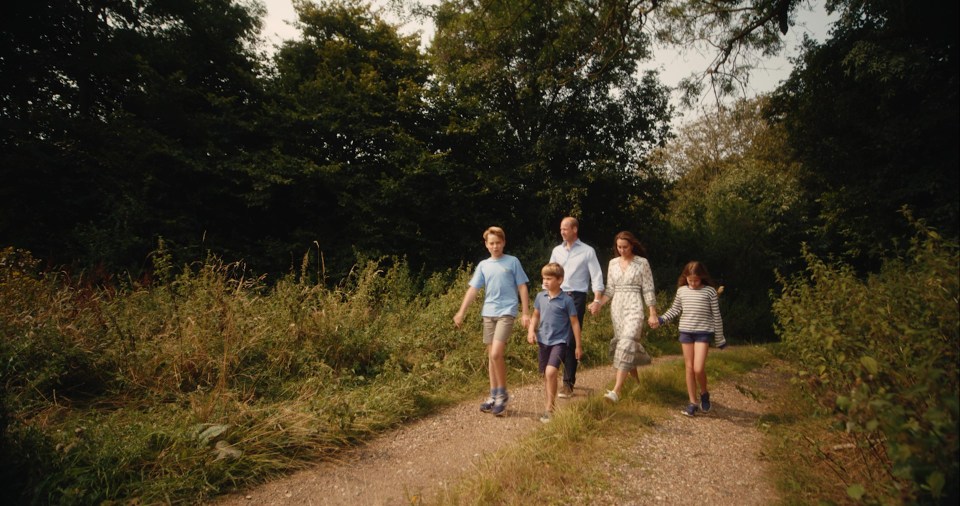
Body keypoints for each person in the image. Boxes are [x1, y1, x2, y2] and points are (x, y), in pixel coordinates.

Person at [454, 226, 531, 417]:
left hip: (507, 312)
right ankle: (493, 394)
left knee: (497, 353)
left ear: (503, 243)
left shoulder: (512, 262)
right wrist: (461, 312)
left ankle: (503, 395)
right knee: (491, 356)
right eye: (491, 243)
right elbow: (473, 289)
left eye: (498, 242)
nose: (495, 246)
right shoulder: (483, 265)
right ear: (486, 245)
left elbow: (522, 287)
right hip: (488, 312)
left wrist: (525, 313)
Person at [591, 231, 658, 403]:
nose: (622, 250)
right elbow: (610, 289)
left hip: (634, 305)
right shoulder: (613, 263)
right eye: (619, 247)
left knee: (627, 341)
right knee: (625, 345)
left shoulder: (642, 263)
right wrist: (598, 303)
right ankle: (636, 384)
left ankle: (616, 391)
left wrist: (652, 313)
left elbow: (648, 288)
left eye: (625, 247)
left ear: (632, 245)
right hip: (617, 308)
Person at [653, 261, 726, 417]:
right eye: (690, 280)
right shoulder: (682, 291)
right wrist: (661, 320)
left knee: (698, 368)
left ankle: (704, 393)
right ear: (685, 277)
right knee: (689, 368)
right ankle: (692, 403)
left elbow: (716, 316)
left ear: (702, 278)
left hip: (703, 333)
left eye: (696, 280)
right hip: (686, 332)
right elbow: (674, 310)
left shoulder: (710, 292)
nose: (692, 283)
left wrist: (720, 338)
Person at [548, 216, 604, 398]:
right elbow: (550, 272)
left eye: (565, 229)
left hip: (577, 297)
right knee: (556, 337)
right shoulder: (557, 250)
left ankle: (568, 383)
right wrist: (545, 293)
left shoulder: (588, 251)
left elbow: (596, 276)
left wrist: (596, 300)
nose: (562, 232)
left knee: (571, 339)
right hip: (557, 295)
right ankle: (551, 376)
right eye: (561, 229)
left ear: (574, 230)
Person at [527, 262, 582, 423]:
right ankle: (550, 405)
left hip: (560, 342)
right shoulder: (540, 297)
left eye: (549, 278)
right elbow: (535, 315)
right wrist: (531, 330)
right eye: (544, 278)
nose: (545, 281)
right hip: (543, 340)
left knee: (551, 372)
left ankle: (549, 409)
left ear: (560, 280)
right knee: (546, 374)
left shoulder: (567, 300)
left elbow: (575, 323)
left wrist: (578, 345)